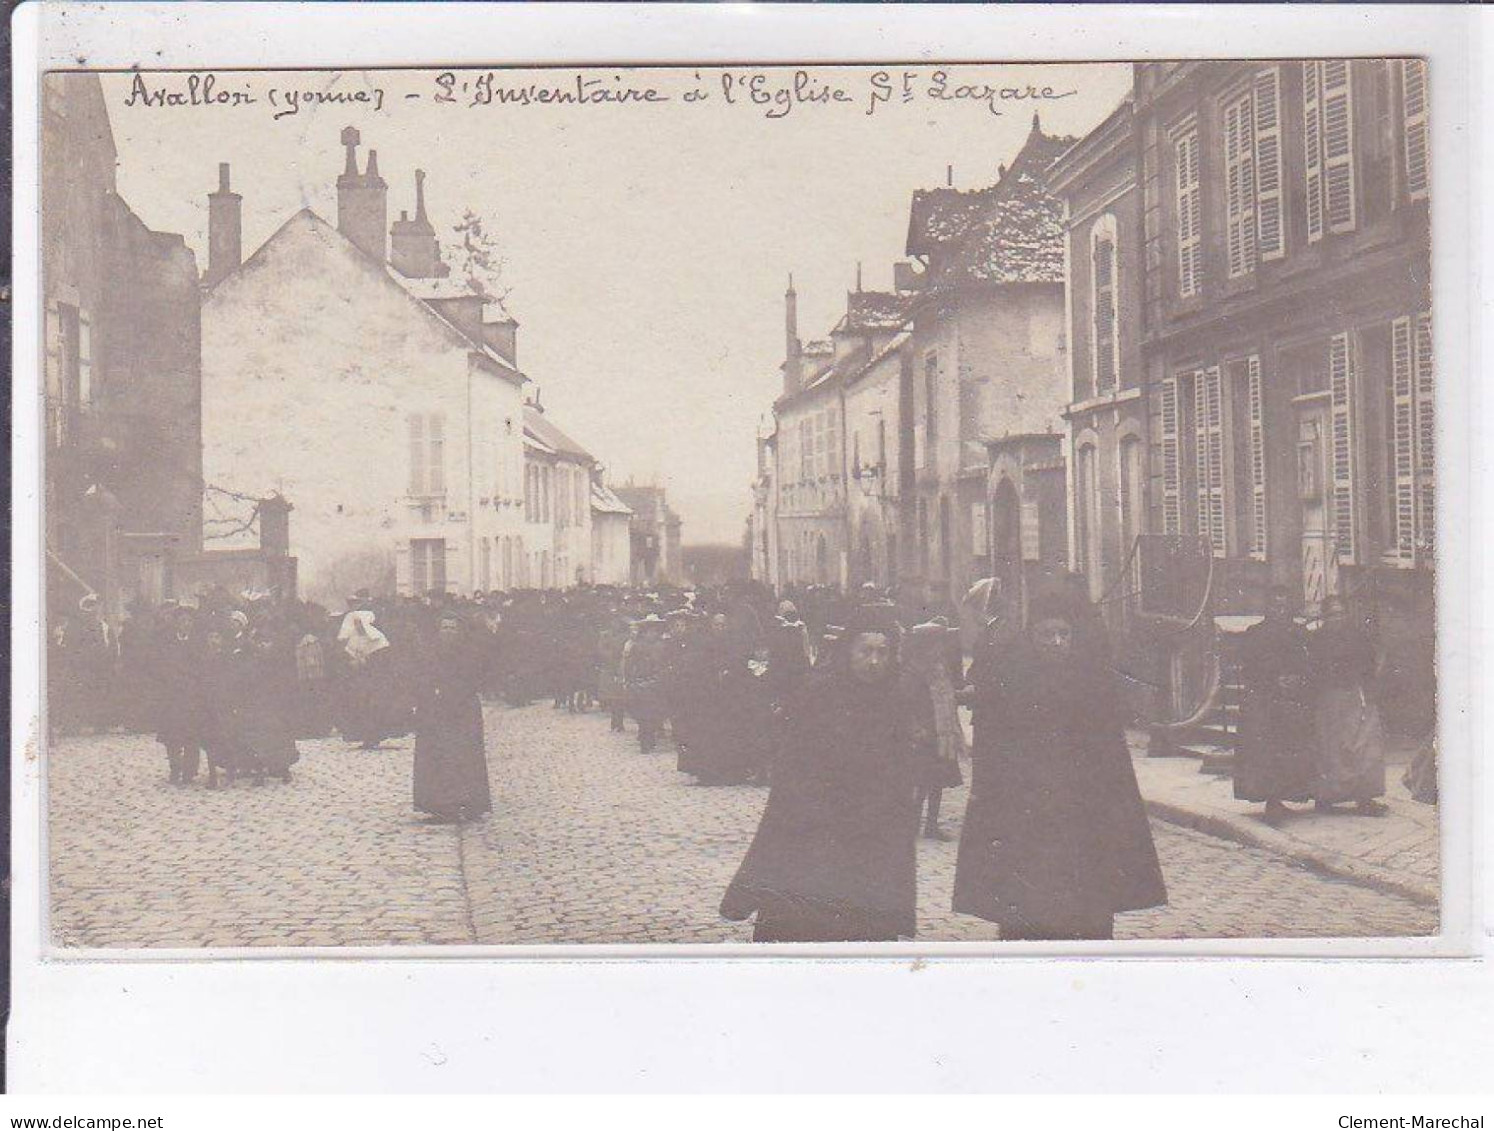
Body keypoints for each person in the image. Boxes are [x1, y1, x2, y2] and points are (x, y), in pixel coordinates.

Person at [953, 579, 1166, 941]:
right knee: (1028, 909)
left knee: (1086, 909)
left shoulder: (1091, 683)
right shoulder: (1013, 681)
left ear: (1073, 636)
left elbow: (1111, 760)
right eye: (1046, 634)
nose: (1056, 642)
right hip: (1028, 817)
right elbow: (995, 751)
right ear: (1031, 636)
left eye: (1063, 634)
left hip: (1082, 817)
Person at [721, 604, 932, 942]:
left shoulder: (897, 701)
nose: (874, 661)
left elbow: (903, 771)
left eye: (883, 652)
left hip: (871, 839)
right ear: (848, 651)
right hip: (816, 832)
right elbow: (792, 772)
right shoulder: (818, 694)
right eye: (865, 651)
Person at [1233, 586, 1315, 824]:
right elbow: (1250, 668)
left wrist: (1297, 679)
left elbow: (1310, 662)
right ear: (1268, 608)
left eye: (1284, 605)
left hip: (1292, 699)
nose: (1280, 610)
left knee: (1291, 749)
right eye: (1275, 606)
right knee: (1267, 752)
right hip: (1265, 700)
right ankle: (1271, 801)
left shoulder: (1300, 633)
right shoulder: (1255, 633)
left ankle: (1283, 798)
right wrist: (1274, 680)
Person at [1308, 596, 1388, 816]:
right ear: (1325, 617)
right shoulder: (1316, 640)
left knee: (1364, 746)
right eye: (1332, 614)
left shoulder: (1357, 638)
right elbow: (1311, 670)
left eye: (1341, 613)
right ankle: (1326, 798)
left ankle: (1365, 798)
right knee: (1330, 747)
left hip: (1356, 694)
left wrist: (1365, 687)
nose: (1338, 618)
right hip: (1328, 698)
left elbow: (1370, 665)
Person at [412, 611, 492, 824]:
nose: (448, 632)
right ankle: (441, 804)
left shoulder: (470, 654)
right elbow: (422, 677)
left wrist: (452, 693)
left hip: (462, 710)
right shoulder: (430, 653)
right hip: (435, 710)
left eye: (452, 628)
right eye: (444, 628)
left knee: (464, 755)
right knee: (437, 755)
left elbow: (475, 679)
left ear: (460, 632)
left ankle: (470, 801)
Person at [904, 621, 966, 840]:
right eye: (937, 643)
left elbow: (948, 694)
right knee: (920, 783)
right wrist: (915, 728)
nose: (940, 648)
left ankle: (931, 825)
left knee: (937, 781)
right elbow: (905, 704)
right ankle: (911, 826)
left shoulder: (940, 666)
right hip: (924, 734)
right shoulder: (913, 671)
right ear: (926, 645)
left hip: (941, 733)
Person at [154, 605, 205, 784]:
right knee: (172, 736)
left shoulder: (198, 644)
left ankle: (190, 770)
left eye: (189, 621)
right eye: (182, 621)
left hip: (192, 697)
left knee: (191, 735)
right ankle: (175, 768)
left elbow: (201, 669)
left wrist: (192, 683)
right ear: (176, 624)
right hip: (172, 697)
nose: (186, 625)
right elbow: (160, 667)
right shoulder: (166, 643)